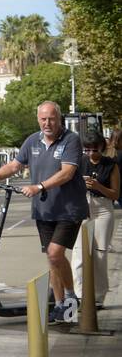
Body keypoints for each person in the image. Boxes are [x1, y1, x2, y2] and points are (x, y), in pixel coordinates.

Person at [0, 101, 88, 322]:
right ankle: (59, 305)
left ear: (59, 119)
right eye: (43, 119)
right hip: (44, 210)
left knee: (55, 253)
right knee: (52, 258)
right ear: (38, 119)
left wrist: (39, 186)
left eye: (51, 119)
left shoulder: (71, 140)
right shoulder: (32, 141)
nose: (47, 123)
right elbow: (14, 166)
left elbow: (67, 173)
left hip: (69, 209)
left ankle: (70, 297)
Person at [72, 131, 117, 306]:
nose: (91, 153)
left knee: (99, 254)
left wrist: (98, 186)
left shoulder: (111, 165)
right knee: (79, 254)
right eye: (87, 149)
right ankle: (79, 295)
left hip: (103, 209)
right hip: (82, 206)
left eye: (95, 149)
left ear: (102, 147)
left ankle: (98, 297)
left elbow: (115, 194)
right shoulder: (79, 162)